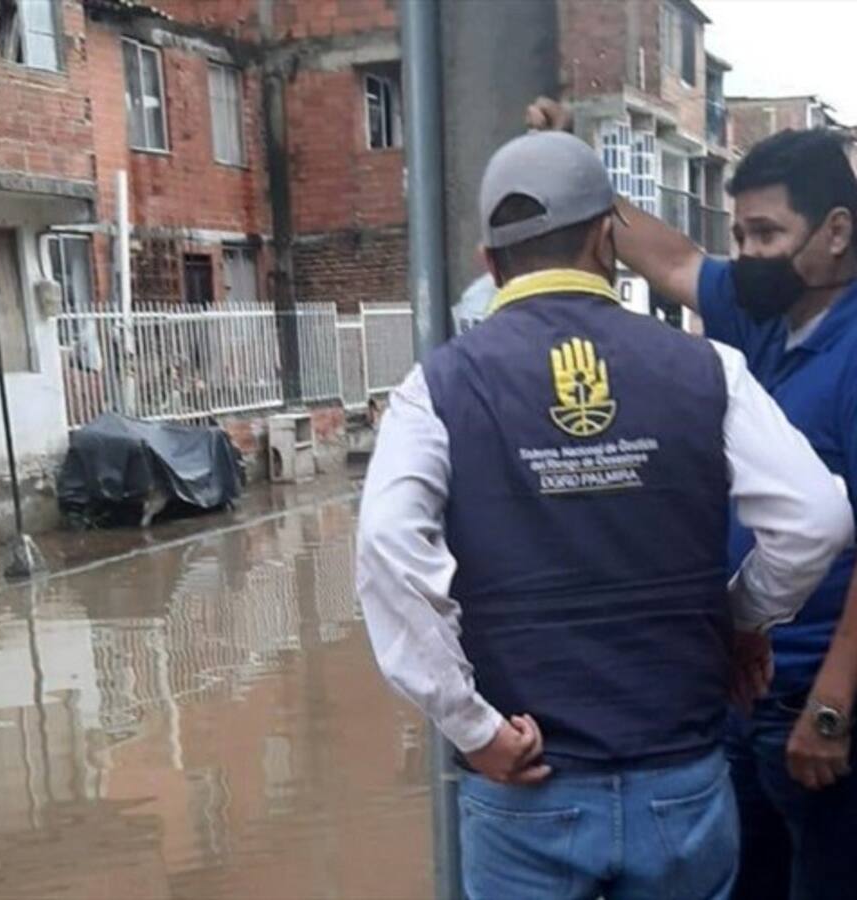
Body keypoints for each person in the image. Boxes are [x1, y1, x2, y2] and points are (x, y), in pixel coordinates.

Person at [356, 130, 854, 900]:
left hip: (527, 788)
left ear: (491, 265)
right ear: (604, 242)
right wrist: (742, 618)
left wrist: (472, 726)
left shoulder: (437, 389)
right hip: (682, 784)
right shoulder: (707, 369)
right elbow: (818, 518)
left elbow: (389, 553)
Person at [527, 98, 857, 899]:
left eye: (768, 236)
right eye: (740, 235)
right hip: (747, 696)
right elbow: (670, 259)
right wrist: (570, 167)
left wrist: (832, 709)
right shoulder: (764, 319)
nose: (747, 255)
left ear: (837, 233)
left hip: (823, 707)